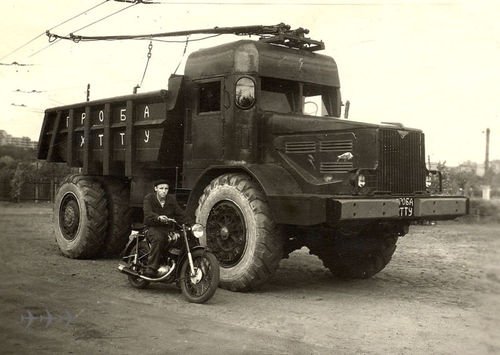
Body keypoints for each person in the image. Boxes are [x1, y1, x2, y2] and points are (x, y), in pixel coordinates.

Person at [142, 179, 188, 277]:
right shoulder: (149, 198)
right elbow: (148, 213)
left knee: (183, 238)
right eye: (161, 188)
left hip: (167, 229)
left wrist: (192, 225)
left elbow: (180, 214)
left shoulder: (171, 199)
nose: (164, 191)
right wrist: (158, 217)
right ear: (156, 189)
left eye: (166, 188)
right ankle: (151, 267)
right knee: (159, 238)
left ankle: (177, 267)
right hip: (152, 227)